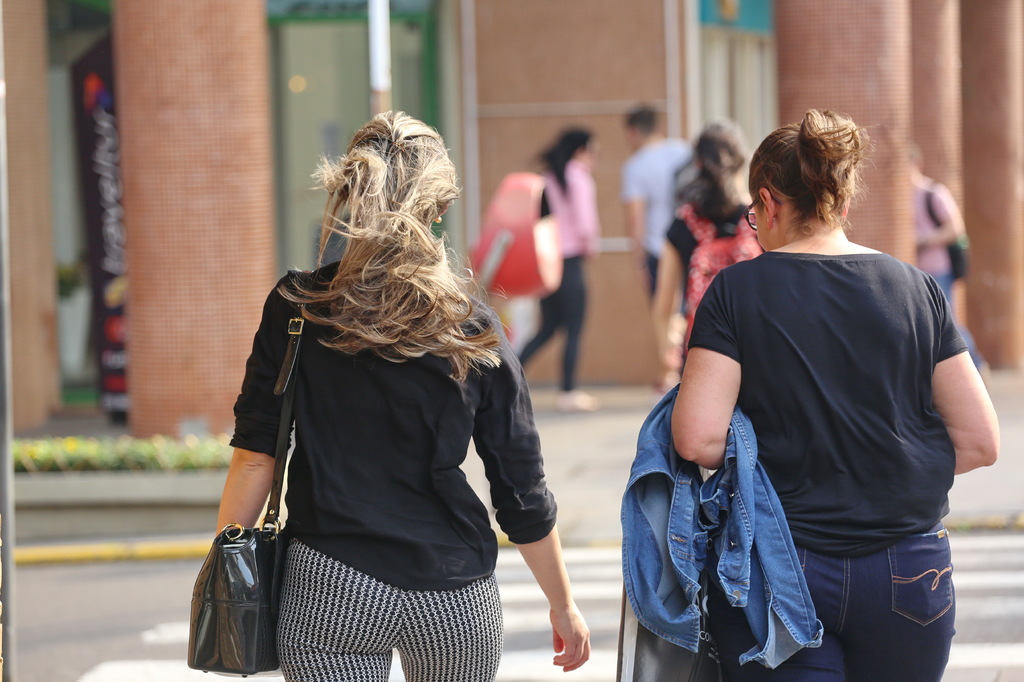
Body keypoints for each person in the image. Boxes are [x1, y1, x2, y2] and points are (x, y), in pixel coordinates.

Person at [217, 111, 590, 682]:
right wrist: (562, 603)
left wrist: (225, 574)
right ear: (440, 209)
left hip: (329, 583)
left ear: (349, 195)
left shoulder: (297, 307)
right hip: (453, 589)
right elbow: (520, 488)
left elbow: (255, 455)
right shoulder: (471, 325)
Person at [671, 109, 999, 680]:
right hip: (909, 568)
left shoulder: (737, 292)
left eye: (754, 215)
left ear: (769, 203)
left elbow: (698, 438)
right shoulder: (917, 289)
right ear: (842, 203)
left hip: (779, 565)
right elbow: (979, 442)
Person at [650, 120, 760, 390]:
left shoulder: (683, 223)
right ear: (742, 161)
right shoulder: (763, 218)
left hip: (701, 358)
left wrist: (669, 360)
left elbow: (664, 307)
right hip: (759, 356)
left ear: (697, 164)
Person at [517, 128, 602, 412]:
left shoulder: (547, 177)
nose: (594, 158)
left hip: (549, 263)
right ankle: (568, 391)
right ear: (581, 150)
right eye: (593, 152)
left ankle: (508, 372)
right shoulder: (578, 177)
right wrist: (591, 246)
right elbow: (585, 222)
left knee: (548, 327)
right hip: (572, 261)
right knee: (574, 328)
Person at [911, 145, 987, 373]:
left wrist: (924, 240)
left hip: (939, 269)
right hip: (917, 270)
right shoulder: (900, 197)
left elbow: (956, 228)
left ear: (916, 164)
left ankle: (975, 364)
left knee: (948, 320)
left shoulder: (932, 193)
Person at [621, 105, 693, 297]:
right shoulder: (684, 150)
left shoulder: (636, 166)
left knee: (665, 319)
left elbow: (636, 217)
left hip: (659, 249)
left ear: (633, 132)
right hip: (691, 244)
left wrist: (639, 262)